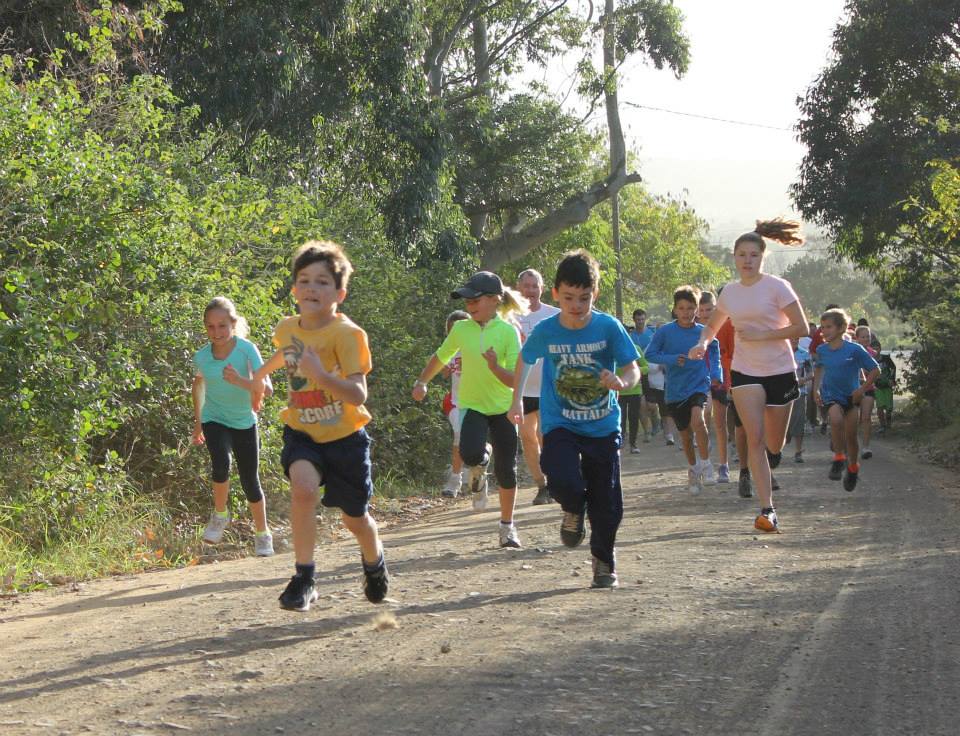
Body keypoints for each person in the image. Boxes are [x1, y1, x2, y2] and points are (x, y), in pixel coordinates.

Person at [248, 240, 387, 611]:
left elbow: (357, 394)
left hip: (346, 440)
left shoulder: (347, 335)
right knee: (303, 489)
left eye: (323, 282)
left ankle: (374, 563)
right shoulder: (285, 327)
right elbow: (286, 352)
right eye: (305, 280)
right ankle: (304, 577)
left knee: (355, 520)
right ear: (294, 290)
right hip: (303, 432)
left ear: (339, 293)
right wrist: (258, 378)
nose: (312, 287)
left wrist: (321, 375)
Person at [509, 249, 641, 588]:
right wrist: (516, 402)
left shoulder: (608, 327)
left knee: (606, 500)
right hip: (561, 423)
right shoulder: (547, 330)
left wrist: (622, 382)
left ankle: (603, 561)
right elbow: (525, 360)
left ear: (594, 294)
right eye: (568, 297)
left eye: (584, 298)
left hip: (602, 424)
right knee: (562, 479)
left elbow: (632, 368)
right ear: (555, 294)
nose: (576, 305)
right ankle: (572, 507)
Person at [689, 219, 810, 533]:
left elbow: (802, 328)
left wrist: (764, 334)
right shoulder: (730, 292)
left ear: (762, 257)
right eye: (742, 254)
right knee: (753, 439)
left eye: (753, 255)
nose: (747, 260)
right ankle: (767, 509)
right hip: (745, 372)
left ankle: (773, 458)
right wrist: (702, 343)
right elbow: (712, 326)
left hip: (781, 370)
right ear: (734, 257)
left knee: (773, 442)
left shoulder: (778, 286)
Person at [413, 271, 526, 548]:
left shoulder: (508, 333)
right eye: (467, 300)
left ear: (494, 300)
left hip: (502, 408)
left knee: (507, 470)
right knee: (470, 452)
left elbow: (514, 380)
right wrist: (421, 381)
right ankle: (480, 463)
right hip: (473, 405)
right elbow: (441, 356)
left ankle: (507, 527)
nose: (469, 305)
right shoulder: (462, 329)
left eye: (474, 299)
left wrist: (493, 366)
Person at [191, 296, 273, 557]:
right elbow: (198, 385)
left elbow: (267, 389)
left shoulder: (247, 350)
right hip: (214, 418)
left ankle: (263, 534)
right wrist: (197, 423)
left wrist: (241, 381)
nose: (217, 332)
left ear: (233, 324)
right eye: (211, 327)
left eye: (222, 326)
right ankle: (220, 515)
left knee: (250, 481)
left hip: (243, 422)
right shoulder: (202, 356)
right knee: (220, 465)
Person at [646, 285, 721, 494]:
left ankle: (706, 464)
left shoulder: (704, 333)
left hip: (698, 384)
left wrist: (716, 375)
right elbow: (649, 354)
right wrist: (671, 359)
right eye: (682, 308)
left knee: (699, 421)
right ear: (675, 309)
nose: (686, 312)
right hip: (675, 391)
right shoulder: (665, 332)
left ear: (697, 310)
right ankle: (693, 470)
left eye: (691, 308)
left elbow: (714, 352)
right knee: (686, 435)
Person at [813, 308, 880, 491]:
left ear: (842, 328)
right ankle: (839, 458)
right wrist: (815, 390)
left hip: (851, 397)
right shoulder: (822, 350)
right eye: (822, 327)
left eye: (828, 327)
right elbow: (818, 369)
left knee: (851, 436)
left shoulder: (855, 349)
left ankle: (852, 468)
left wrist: (861, 389)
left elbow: (875, 370)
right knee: (835, 419)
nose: (824, 331)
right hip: (831, 396)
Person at [515, 269, 561, 504]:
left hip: (548, 387)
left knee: (546, 436)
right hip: (520, 389)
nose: (530, 290)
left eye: (535, 286)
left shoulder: (554, 315)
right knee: (526, 436)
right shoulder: (509, 317)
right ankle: (541, 485)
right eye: (526, 285)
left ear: (542, 289)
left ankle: (554, 481)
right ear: (518, 288)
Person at [699, 290, 732, 482]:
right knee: (702, 418)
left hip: (719, 379)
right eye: (701, 310)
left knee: (720, 423)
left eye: (709, 309)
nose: (705, 313)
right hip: (699, 380)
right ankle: (705, 462)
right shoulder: (694, 329)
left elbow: (727, 354)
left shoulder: (724, 326)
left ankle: (724, 465)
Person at [440, 310, 470, 497]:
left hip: (477, 401)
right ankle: (455, 481)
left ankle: (479, 459)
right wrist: (450, 365)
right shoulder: (448, 349)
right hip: (454, 401)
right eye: (453, 329)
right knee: (459, 433)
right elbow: (442, 373)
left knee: (473, 441)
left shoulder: (479, 345)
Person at [617, 328, 649, 453]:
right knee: (621, 418)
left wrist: (636, 371)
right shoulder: (613, 348)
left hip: (635, 390)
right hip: (619, 389)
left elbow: (646, 367)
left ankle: (633, 444)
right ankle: (620, 441)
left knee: (634, 417)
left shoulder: (635, 348)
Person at [785, 337, 813, 463]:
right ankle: (777, 448)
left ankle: (798, 451)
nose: (794, 341)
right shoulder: (780, 353)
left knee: (799, 420)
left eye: (796, 339)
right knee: (783, 422)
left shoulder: (805, 354)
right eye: (791, 338)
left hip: (800, 392)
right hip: (782, 392)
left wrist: (803, 380)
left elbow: (811, 373)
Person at [853, 325, 878, 459]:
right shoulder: (852, 352)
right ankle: (851, 445)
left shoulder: (872, 353)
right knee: (853, 420)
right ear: (857, 338)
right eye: (863, 336)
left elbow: (876, 371)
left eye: (868, 336)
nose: (866, 339)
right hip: (854, 389)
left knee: (866, 418)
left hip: (868, 389)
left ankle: (866, 447)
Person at [874, 352, 897, 433]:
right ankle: (882, 426)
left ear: (880, 349)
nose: (875, 350)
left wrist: (892, 379)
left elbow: (893, 368)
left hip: (888, 386)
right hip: (877, 387)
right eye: (873, 348)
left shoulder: (886, 358)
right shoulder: (870, 359)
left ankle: (889, 424)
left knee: (889, 408)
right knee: (879, 407)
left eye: (877, 348)